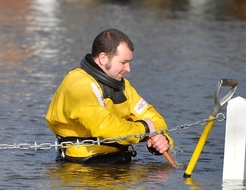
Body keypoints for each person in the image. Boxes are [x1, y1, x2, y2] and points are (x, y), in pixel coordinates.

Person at [45, 28, 172, 165]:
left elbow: (151, 116)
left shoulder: (122, 86)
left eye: (129, 62)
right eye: (123, 62)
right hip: (82, 169)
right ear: (103, 58)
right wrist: (144, 130)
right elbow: (103, 127)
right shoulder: (78, 85)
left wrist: (161, 138)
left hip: (120, 163)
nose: (128, 69)